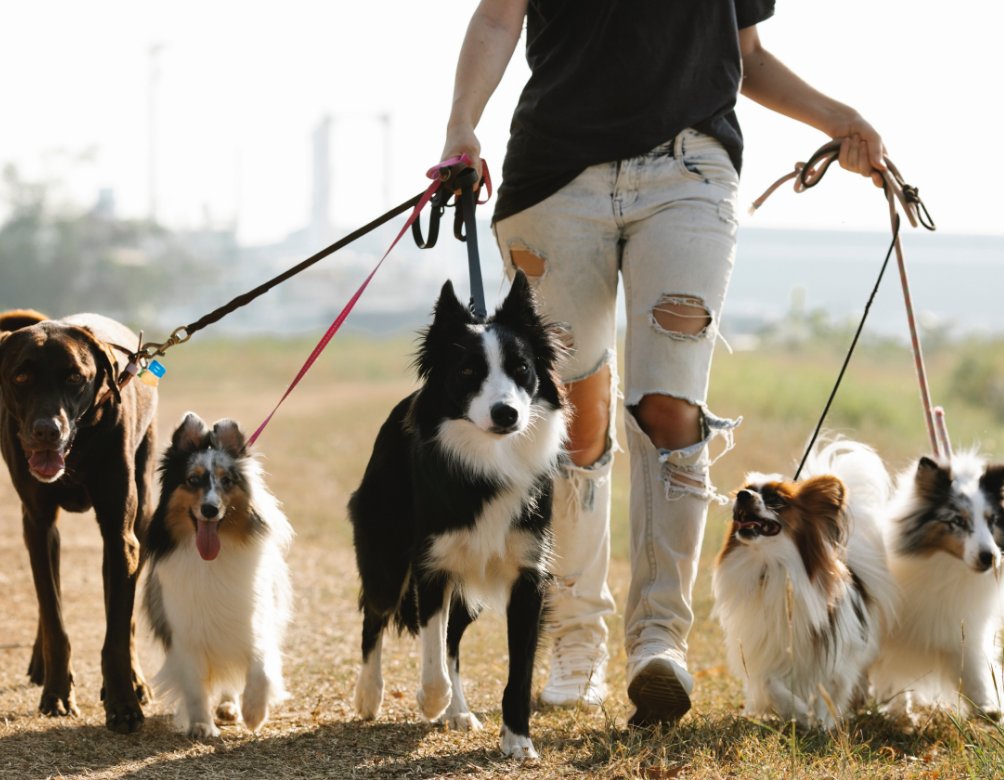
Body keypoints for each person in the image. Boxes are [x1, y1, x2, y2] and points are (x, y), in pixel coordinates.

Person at [440, 0, 885, 726]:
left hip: (690, 173)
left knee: (671, 407)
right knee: (571, 416)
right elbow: (498, 17)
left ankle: (658, 642)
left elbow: (750, 55)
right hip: (556, 176)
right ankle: (576, 639)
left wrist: (842, 118)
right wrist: (463, 126)